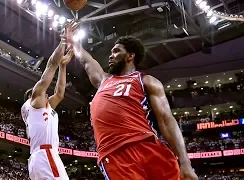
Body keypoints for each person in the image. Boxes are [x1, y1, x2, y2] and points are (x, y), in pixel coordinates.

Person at [63, 22, 198, 180]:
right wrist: (72, 41)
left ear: (130, 56)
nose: (111, 55)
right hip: (115, 153)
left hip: (149, 147)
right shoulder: (103, 79)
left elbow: (166, 120)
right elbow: (86, 61)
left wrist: (185, 162)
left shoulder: (147, 81)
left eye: (116, 51)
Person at [21, 37, 74, 180]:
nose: (48, 95)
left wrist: (63, 67)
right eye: (45, 94)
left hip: (39, 157)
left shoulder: (40, 109)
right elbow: (51, 65)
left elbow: (60, 93)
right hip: (46, 155)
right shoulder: (36, 101)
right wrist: (63, 41)